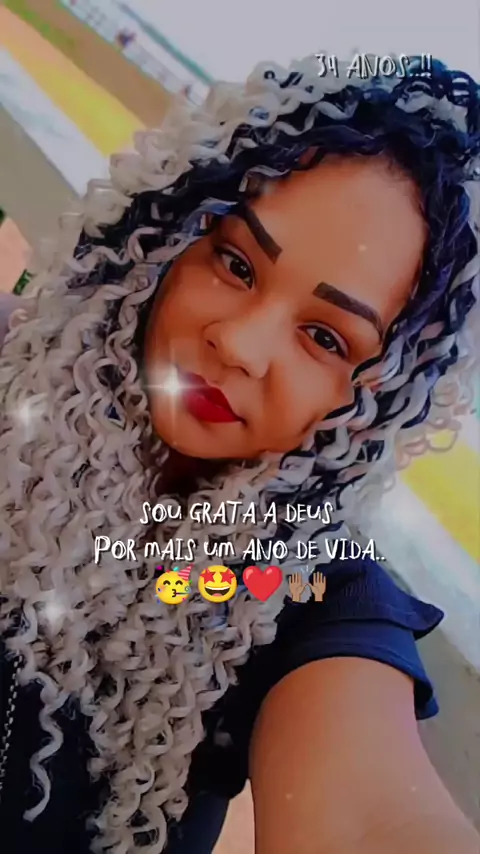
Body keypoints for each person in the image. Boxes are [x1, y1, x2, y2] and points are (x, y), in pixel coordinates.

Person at [0, 54, 479, 854]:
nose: (241, 346)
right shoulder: (17, 381)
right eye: (235, 263)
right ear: (169, 237)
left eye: (325, 337)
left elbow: (369, 817)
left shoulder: (304, 592)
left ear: (375, 400)